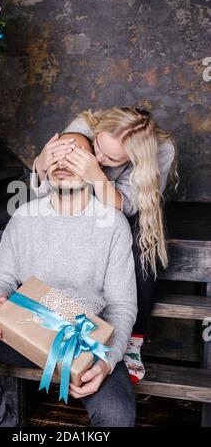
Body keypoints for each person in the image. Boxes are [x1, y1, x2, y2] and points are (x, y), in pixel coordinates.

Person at [0, 132, 137, 427]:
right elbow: (1, 277)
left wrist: (107, 362)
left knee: (117, 416)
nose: (63, 162)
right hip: (25, 332)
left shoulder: (113, 225)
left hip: (82, 343)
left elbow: (122, 308)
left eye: (75, 155)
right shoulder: (23, 217)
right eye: (56, 154)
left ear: (93, 165)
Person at [31, 107, 178, 384]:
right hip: (77, 205)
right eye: (97, 147)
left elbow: (131, 206)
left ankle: (133, 341)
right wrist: (41, 165)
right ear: (96, 132)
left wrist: (96, 175)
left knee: (144, 242)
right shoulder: (82, 126)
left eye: (111, 159)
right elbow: (49, 184)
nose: (99, 158)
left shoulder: (161, 150)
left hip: (125, 212)